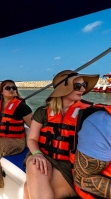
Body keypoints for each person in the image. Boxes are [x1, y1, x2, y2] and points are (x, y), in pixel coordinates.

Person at [24, 70, 99, 199]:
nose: (82, 89)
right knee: (34, 163)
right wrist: (38, 154)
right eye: (77, 86)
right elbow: (31, 139)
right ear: (63, 89)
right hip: (44, 156)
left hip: (70, 165)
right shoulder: (42, 112)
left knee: (28, 189)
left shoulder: (89, 113)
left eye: (84, 85)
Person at [73, 104, 111, 199]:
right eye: (76, 87)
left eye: (84, 87)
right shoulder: (102, 122)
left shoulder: (100, 121)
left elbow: (81, 177)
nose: (81, 88)